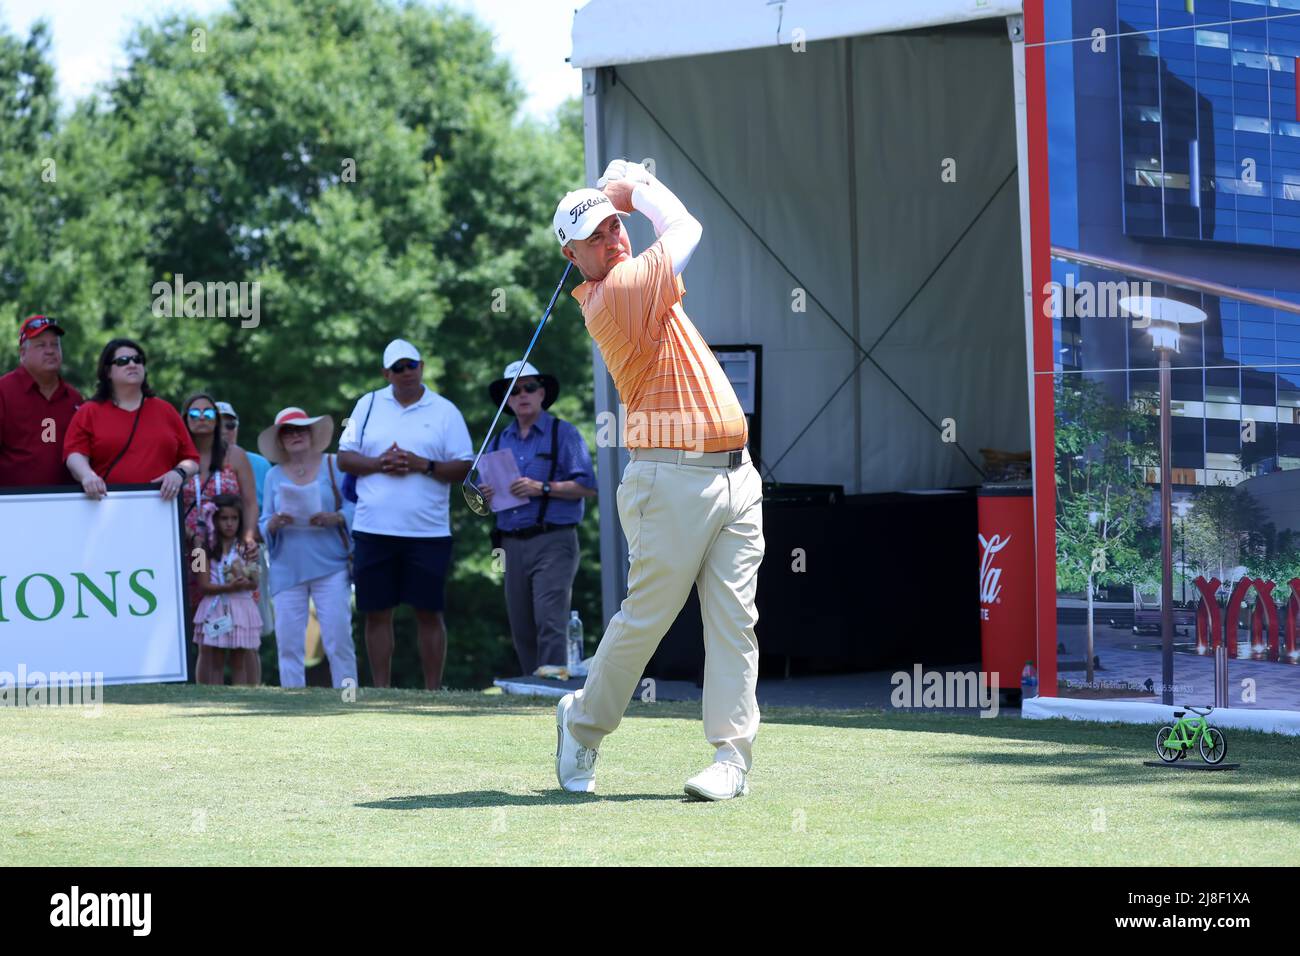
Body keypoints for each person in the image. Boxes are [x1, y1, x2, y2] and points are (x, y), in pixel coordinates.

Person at [551, 161, 764, 801]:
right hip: (668, 481)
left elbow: (672, 235)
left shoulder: (636, 282)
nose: (615, 238)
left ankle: (731, 757)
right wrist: (634, 189)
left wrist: (625, 197)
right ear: (573, 255)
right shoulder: (615, 293)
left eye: (616, 226)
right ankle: (583, 724)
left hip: (737, 475)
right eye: (597, 235)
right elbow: (687, 224)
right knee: (647, 620)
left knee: (735, 620)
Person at [337, 339, 474, 689]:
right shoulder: (367, 404)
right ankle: (381, 689)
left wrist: (422, 464)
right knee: (376, 612)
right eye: (398, 368)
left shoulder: (445, 410)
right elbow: (345, 457)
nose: (406, 373)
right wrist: (381, 463)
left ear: (422, 366)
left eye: (411, 365)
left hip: (428, 532)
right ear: (386, 374)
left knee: (429, 612)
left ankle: (432, 691)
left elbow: (464, 467)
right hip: (373, 529)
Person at [478, 361, 595, 676]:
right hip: (509, 543)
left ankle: (552, 690)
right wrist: (484, 496)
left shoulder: (563, 433)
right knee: (521, 622)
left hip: (553, 540)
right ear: (507, 399)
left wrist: (542, 487)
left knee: (550, 618)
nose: (522, 395)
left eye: (529, 387)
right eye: (514, 391)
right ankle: (532, 687)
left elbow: (587, 486)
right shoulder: (498, 439)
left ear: (542, 392)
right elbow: (482, 498)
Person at [258, 407, 357, 689]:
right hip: (288, 568)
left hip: (331, 566)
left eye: (301, 428)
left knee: (339, 638)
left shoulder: (335, 465)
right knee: (288, 643)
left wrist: (336, 518)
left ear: (312, 433)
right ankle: (293, 700)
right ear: (280, 440)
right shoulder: (274, 475)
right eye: (288, 431)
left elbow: (355, 506)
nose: (295, 435)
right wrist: (273, 524)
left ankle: (348, 697)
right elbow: (263, 521)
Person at [180, 392, 261, 685]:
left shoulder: (234, 455)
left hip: (232, 547)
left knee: (242, 621)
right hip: (196, 548)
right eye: (195, 414)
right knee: (202, 624)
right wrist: (189, 537)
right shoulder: (176, 455)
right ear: (185, 419)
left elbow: (251, 502)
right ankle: (205, 695)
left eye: (209, 414)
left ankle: (252, 697)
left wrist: (249, 540)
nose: (202, 419)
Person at [64, 338, 199, 500]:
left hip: (161, 506)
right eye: (123, 361)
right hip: (105, 506)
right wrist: (87, 475)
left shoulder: (166, 410)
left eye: (138, 360)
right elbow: (74, 454)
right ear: (107, 372)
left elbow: (191, 459)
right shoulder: (89, 411)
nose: (132, 365)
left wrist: (179, 473)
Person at [0, 315, 84, 487]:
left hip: (67, 504)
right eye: (41, 345)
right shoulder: (4, 391)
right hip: (13, 504)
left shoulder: (74, 398)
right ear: (22, 353)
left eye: (55, 344)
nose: (50, 350)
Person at [192, 494, 263, 685]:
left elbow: (254, 583)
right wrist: (228, 586)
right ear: (214, 520)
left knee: (239, 660)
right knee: (215, 660)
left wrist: (246, 581)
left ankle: (240, 703)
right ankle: (217, 703)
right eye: (224, 518)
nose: (230, 524)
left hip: (241, 607)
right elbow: (203, 585)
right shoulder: (200, 549)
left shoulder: (248, 548)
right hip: (214, 608)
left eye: (234, 518)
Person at [218, 401, 272, 509]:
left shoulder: (261, 464)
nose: (223, 431)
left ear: (237, 428)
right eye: (217, 426)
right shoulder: (199, 464)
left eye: (230, 425)